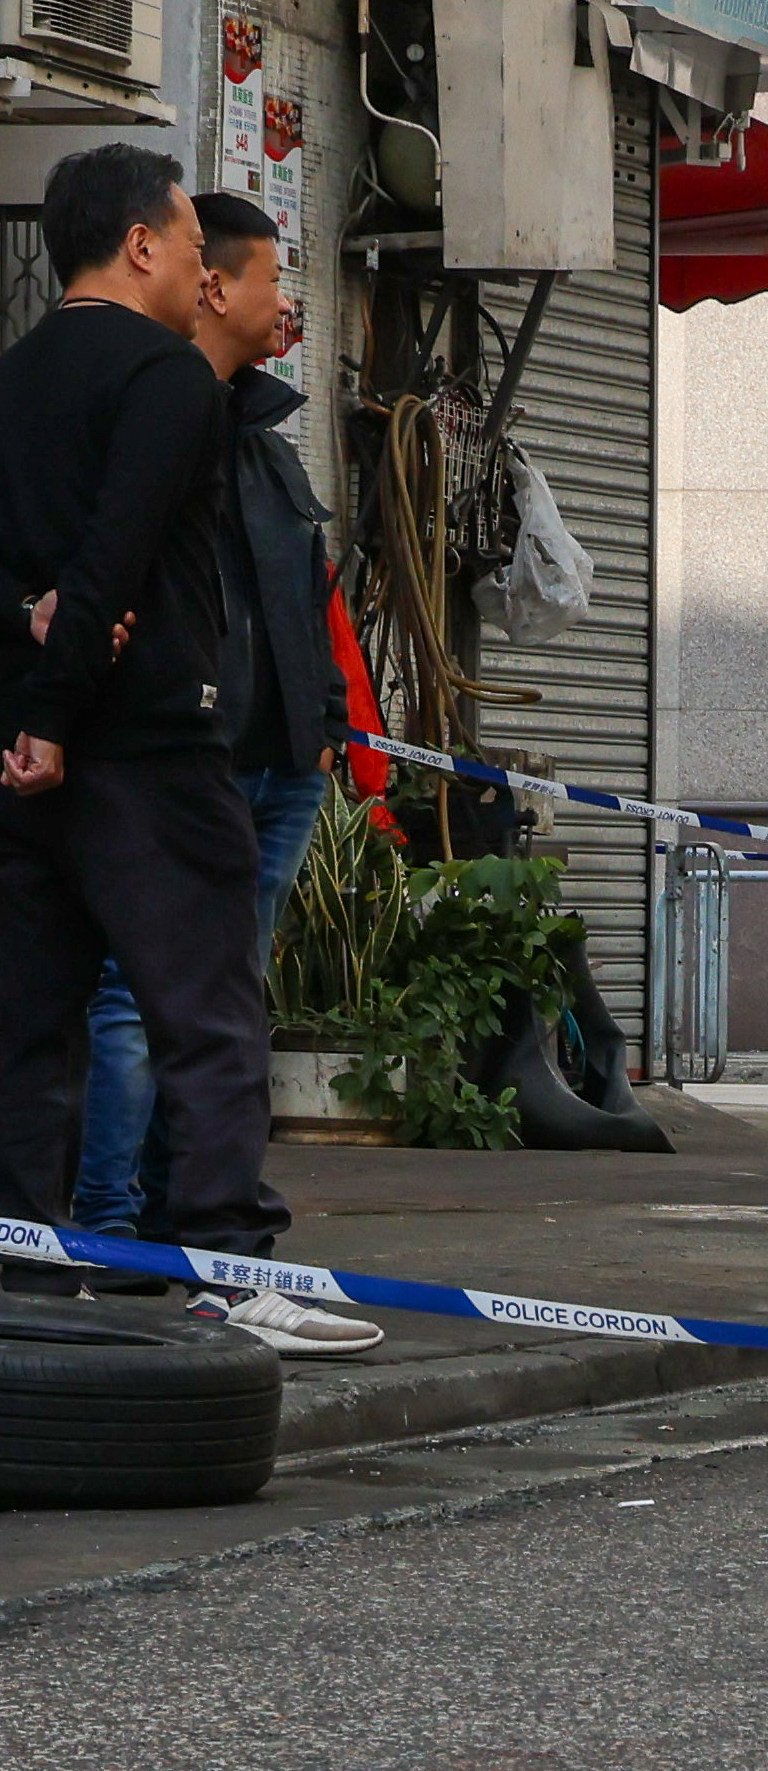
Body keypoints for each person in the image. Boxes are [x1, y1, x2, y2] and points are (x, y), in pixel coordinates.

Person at [0, 145, 378, 1356]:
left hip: (16, 754)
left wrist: (30, 668)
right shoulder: (168, 381)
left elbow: (54, 580)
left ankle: (25, 1265)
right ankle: (228, 1259)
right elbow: (120, 553)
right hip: (150, 745)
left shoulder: (11, 379)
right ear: (147, 245)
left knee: (34, 1021)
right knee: (208, 1008)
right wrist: (65, 709)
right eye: (180, 236)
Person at [71, 196, 354, 1314]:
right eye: (270, 276)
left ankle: (190, 1234)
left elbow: (306, 595)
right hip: (192, 760)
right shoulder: (160, 416)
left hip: (281, 767)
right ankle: (105, 1239)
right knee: (135, 1004)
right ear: (212, 286)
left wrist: (324, 727)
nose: (287, 302)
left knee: (224, 1007)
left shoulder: (266, 444)